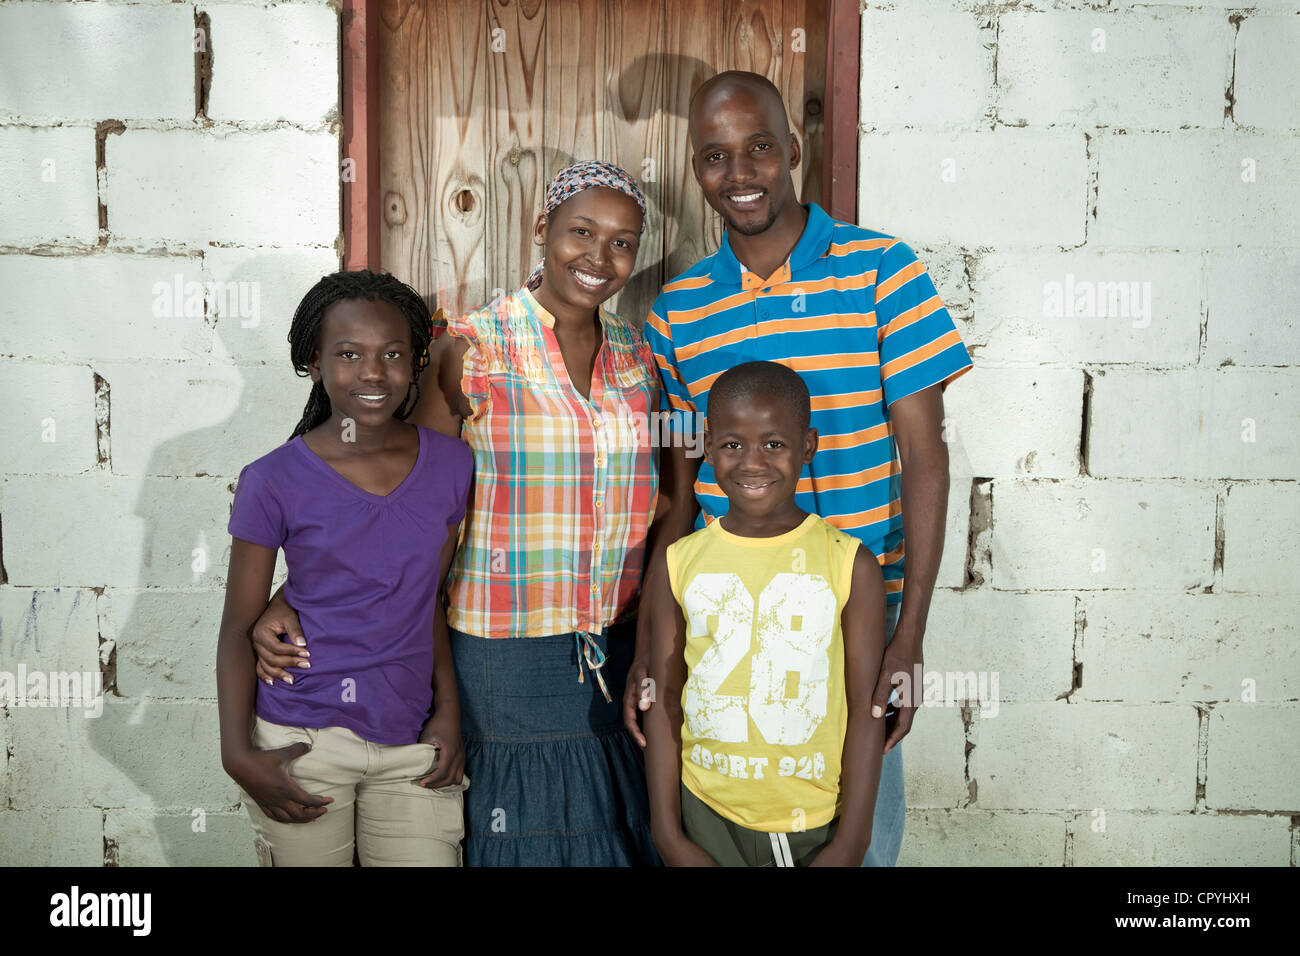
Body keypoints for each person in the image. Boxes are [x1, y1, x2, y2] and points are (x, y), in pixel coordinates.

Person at [250, 162, 662, 866]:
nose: (600, 258)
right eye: (581, 232)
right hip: (502, 650)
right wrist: (293, 593)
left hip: (614, 650)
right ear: (542, 229)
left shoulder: (639, 356)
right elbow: (411, 508)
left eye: (623, 242)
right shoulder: (468, 351)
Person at [628, 71, 973, 867]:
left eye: (757, 148)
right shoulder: (676, 315)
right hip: (723, 615)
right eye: (715, 156)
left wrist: (909, 630)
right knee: (718, 819)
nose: (739, 172)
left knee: (857, 842)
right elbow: (680, 491)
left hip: (859, 615)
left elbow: (925, 456)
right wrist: (653, 639)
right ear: (695, 169)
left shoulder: (881, 270)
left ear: (793, 148)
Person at [216, 270, 473, 866]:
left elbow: (425, 598)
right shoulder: (272, 478)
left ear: (416, 361)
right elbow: (237, 627)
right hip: (302, 743)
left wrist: (449, 712)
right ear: (314, 361)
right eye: (349, 354)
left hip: (412, 744)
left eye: (392, 354)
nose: (373, 373)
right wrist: (238, 755)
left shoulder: (451, 464)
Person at [644, 362, 888, 867]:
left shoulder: (849, 563)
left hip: (807, 824)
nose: (752, 462)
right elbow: (665, 700)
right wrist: (669, 835)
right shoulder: (680, 562)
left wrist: (851, 843)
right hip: (703, 812)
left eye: (774, 444)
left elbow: (867, 713)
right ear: (708, 448)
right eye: (733, 445)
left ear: (809, 447)